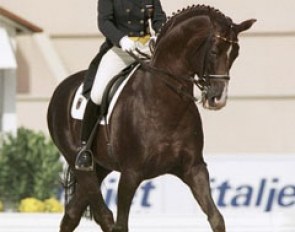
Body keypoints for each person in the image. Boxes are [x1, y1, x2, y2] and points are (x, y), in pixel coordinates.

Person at [75, 0, 167, 171]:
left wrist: (160, 33)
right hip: (121, 50)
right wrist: (122, 39)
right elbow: (104, 22)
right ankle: (84, 148)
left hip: (147, 47)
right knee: (97, 94)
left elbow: (158, 18)